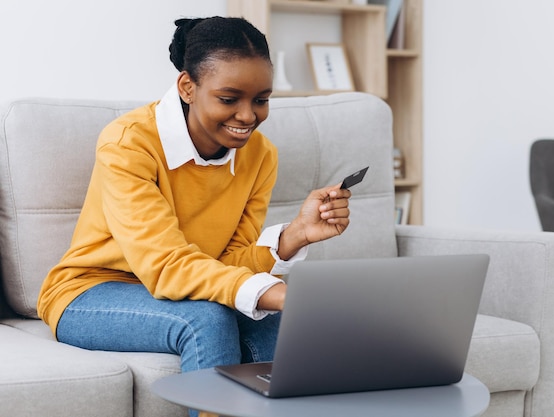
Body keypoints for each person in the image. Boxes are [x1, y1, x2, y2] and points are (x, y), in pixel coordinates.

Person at [37, 16, 351, 417]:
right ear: (188, 87)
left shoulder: (260, 156)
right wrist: (280, 293)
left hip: (187, 286)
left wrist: (293, 236)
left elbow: (225, 262)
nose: (248, 116)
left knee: (273, 323)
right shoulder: (128, 144)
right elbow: (167, 266)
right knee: (207, 319)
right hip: (88, 292)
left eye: (261, 99)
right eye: (229, 98)